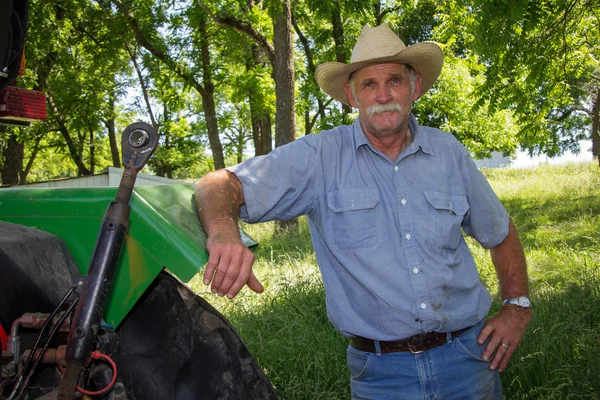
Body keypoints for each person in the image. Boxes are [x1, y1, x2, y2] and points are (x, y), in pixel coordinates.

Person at [195, 23, 532, 399]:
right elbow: (218, 184)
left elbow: (499, 231)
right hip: (381, 375)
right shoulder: (319, 157)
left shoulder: (448, 152)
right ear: (351, 96)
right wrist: (224, 231)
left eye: (395, 81)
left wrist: (517, 305)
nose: (383, 94)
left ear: (415, 87)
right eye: (369, 84)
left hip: (469, 359)